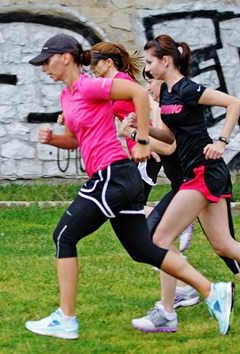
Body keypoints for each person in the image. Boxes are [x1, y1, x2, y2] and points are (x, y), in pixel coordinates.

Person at [24, 33, 235, 340]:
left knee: (64, 236)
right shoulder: (67, 96)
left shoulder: (90, 85)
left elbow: (138, 92)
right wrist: (53, 139)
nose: (44, 68)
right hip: (114, 178)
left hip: (113, 175)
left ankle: (66, 319)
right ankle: (212, 290)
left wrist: (144, 141)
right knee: (142, 249)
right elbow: (75, 139)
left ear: (65, 57)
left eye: (47, 61)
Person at [130, 34, 240, 332]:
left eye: (149, 62)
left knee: (159, 239)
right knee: (224, 245)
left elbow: (233, 103)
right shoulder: (169, 94)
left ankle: (169, 311)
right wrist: (142, 129)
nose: (147, 69)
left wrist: (222, 141)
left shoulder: (187, 88)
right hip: (201, 173)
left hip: (203, 172)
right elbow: (172, 139)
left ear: (165, 61)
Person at [59, 43, 194, 253]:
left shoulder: (122, 81)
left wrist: (147, 142)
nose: (92, 69)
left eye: (95, 64)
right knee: (132, 209)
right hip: (136, 153)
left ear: (108, 62)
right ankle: (171, 250)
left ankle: (178, 223)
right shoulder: (107, 84)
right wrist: (68, 116)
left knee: (133, 208)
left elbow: (151, 103)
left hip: (145, 152)